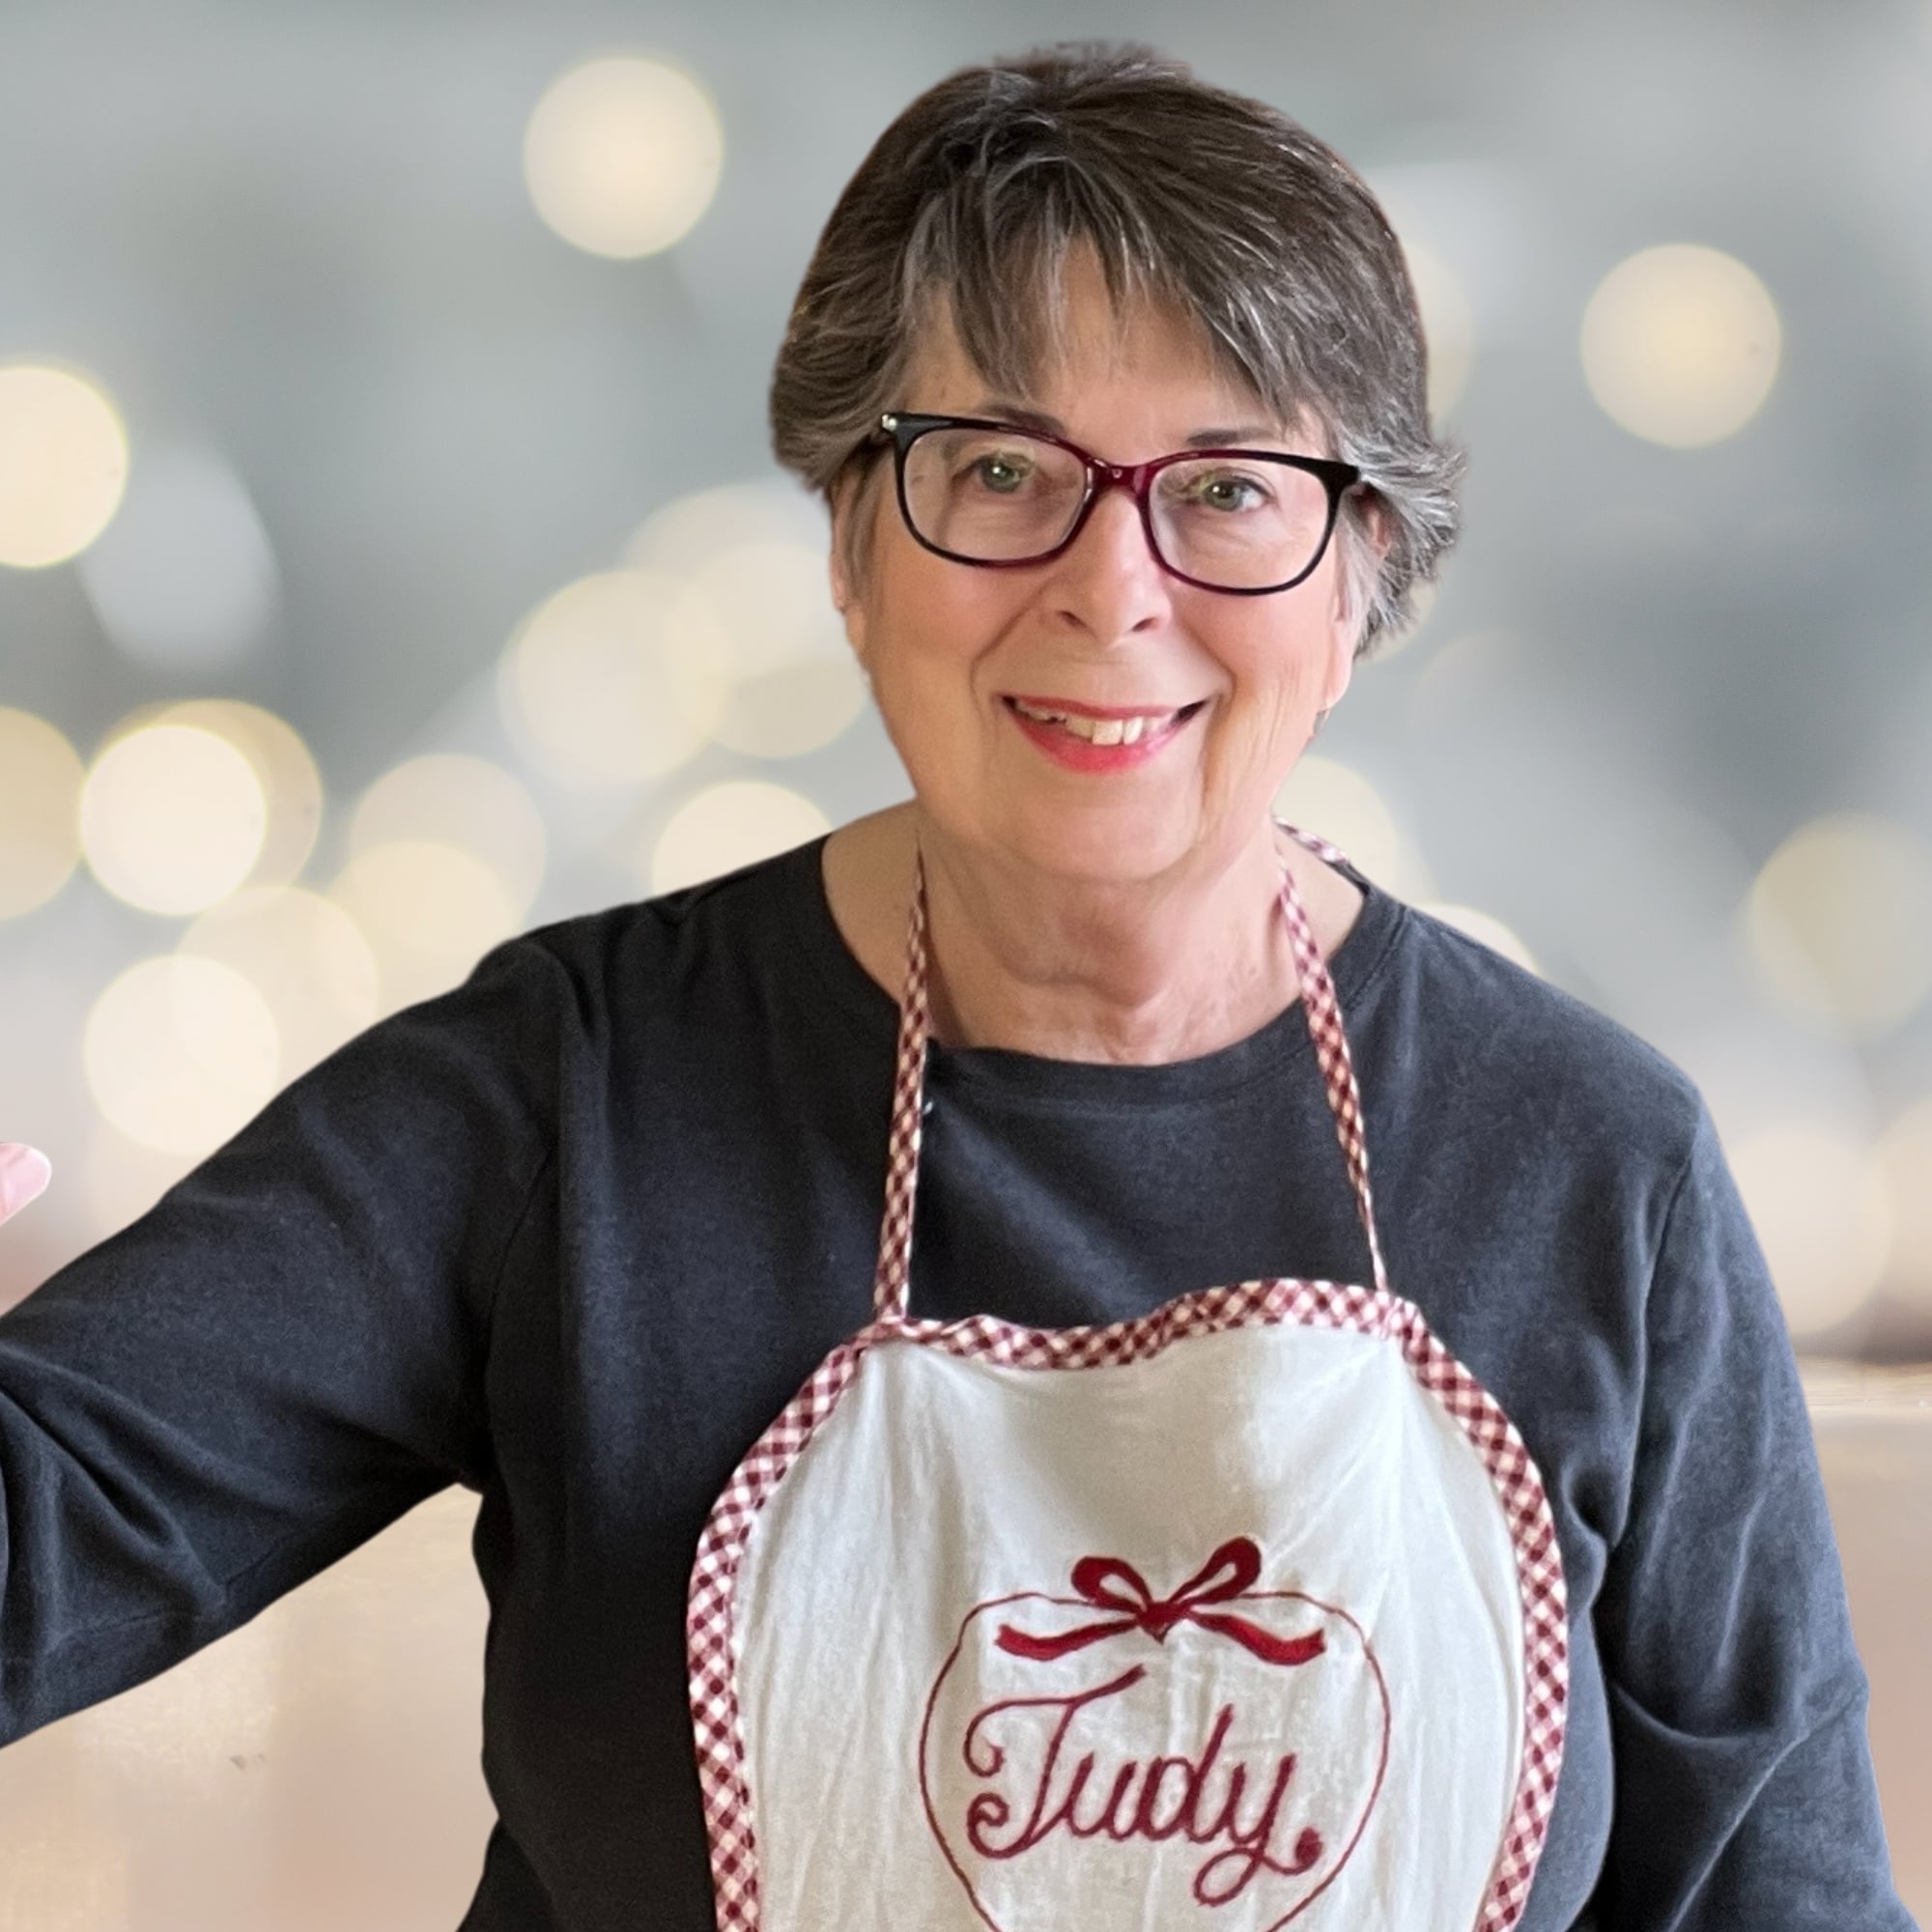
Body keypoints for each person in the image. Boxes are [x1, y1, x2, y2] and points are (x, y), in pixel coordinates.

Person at [0, 42, 1916, 1932]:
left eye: (1228, 488)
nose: (1110, 586)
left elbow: (1787, 1899)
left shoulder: (1594, 1167)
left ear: (1361, 581)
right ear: (849, 548)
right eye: (997, 469)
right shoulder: (559, 1099)